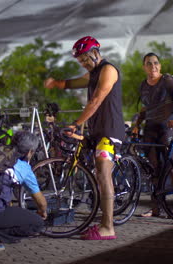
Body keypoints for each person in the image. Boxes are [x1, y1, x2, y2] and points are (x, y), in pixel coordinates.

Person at [44, 36, 124, 240]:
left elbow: (96, 100)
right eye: (80, 62)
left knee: (104, 173)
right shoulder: (94, 73)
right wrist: (55, 83)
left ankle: (108, 227)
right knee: (97, 174)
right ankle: (101, 221)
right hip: (96, 131)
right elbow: (71, 83)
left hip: (110, 132)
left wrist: (77, 123)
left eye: (85, 60)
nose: (84, 64)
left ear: (95, 53)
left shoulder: (108, 70)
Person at [132, 52, 173, 217]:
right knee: (154, 169)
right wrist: (137, 124)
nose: (153, 66)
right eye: (149, 64)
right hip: (150, 129)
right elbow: (146, 108)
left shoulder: (168, 81)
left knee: (171, 166)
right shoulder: (143, 85)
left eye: (156, 63)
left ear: (160, 65)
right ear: (144, 67)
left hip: (167, 128)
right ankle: (156, 207)